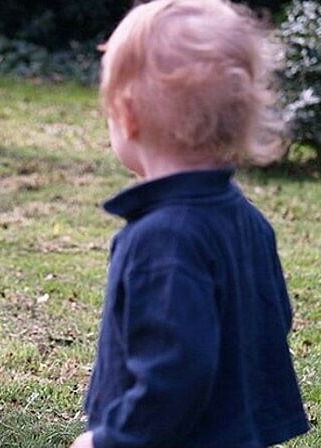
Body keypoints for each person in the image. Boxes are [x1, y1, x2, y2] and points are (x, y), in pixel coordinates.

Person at [70, 1, 310, 447]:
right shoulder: (248, 219)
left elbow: (174, 372)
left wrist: (110, 440)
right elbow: (275, 317)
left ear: (128, 115)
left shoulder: (161, 240)